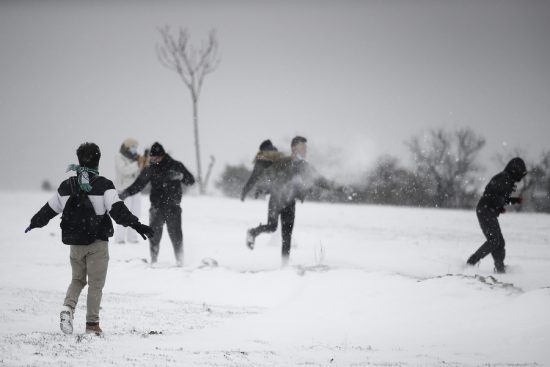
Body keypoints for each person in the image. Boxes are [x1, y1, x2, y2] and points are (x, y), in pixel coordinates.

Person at [25, 142, 154, 335]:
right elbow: (118, 211)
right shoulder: (104, 185)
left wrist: (34, 222)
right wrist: (136, 224)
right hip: (97, 244)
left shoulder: (67, 185)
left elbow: (49, 209)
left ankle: (67, 308)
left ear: (79, 160)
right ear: (98, 161)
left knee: (77, 279)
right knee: (96, 284)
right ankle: (92, 325)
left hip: (75, 243)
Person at [245, 136, 338, 266]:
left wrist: (338, 187)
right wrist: (261, 187)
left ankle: (284, 266)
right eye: (303, 147)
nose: (305, 150)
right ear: (294, 148)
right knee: (272, 227)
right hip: (276, 199)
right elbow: (268, 175)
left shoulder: (305, 166)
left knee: (286, 237)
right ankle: (252, 232)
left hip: (290, 203)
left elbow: (320, 180)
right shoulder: (283, 162)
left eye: (306, 148)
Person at [120, 142, 195, 266]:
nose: (153, 160)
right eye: (152, 158)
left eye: (155, 158)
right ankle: (154, 261)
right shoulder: (150, 168)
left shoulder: (176, 165)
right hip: (156, 207)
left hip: (173, 207)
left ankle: (180, 261)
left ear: (162, 155)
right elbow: (139, 184)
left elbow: (191, 180)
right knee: (154, 235)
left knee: (176, 236)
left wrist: (180, 176)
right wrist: (126, 193)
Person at [466, 157, 527, 273]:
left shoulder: (507, 179)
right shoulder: (504, 179)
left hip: (488, 210)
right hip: (485, 210)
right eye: (520, 173)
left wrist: (513, 201)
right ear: (515, 170)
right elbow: (492, 196)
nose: (521, 177)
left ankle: (500, 269)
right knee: (494, 240)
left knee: (499, 242)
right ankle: (471, 263)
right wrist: (500, 205)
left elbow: (499, 197)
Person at [114, 138, 147, 244]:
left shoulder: (136, 158)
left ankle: (132, 238)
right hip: (124, 189)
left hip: (135, 189)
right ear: (127, 146)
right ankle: (119, 238)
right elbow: (124, 170)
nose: (135, 149)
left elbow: (140, 174)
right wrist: (138, 164)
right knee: (124, 214)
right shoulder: (119, 156)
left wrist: (144, 164)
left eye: (136, 147)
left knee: (136, 213)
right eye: (133, 147)